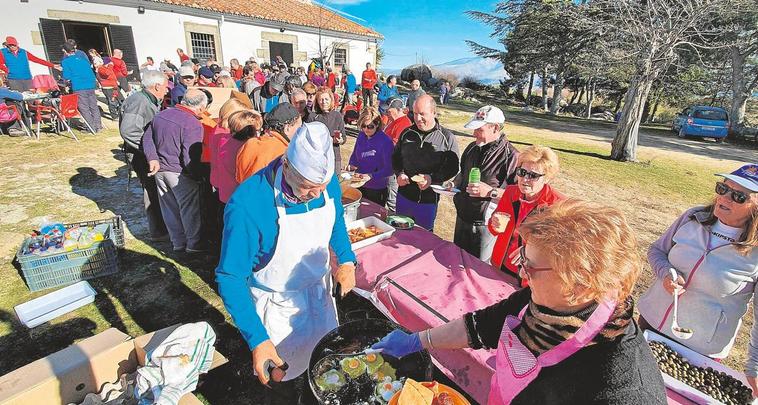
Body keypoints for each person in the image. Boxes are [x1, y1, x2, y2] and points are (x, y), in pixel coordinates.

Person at [373, 199, 667, 404]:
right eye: (523, 259)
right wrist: (418, 341)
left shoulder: (624, 389)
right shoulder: (544, 301)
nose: (522, 273)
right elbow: (480, 327)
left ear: (581, 283)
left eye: (530, 265)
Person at [216, 121, 356, 405]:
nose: (315, 195)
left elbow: (336, 221)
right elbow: (230, 277)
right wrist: (258, 339)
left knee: (323, 370)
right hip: (277, 309)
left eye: (320, 187)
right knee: (284, 389)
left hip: (319, 295)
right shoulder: (248, 204)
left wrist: (347, 259)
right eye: (307, 188)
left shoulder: (325, 184)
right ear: (287, 165)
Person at [638, 164, 758, 392]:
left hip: (700, 347)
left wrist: (754, 368)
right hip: (651, 323)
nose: (725, 197)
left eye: (739, 196)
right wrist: (666, 272)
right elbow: (656, 251)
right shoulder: (693, 217)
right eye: (722, 188)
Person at [141, 88, 207, 253]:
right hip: (180, 173)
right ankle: (194, 245)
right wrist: (198, 177)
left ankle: (177, 243)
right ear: (199, 108)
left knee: (169, 208)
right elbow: (190, 156)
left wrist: (152, 158)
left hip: (160, 170)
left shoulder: (161, 115)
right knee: (189, 210)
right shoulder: (192, 124)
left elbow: (147, 138)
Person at [489, 145, 563, 284]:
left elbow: (560, 247)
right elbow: (495, 229)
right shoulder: (511, 192)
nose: (524, 179)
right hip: (501, 264)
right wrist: (494, 223)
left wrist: (530, 250)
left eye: (533, 175)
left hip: (532, 275)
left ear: (547, 178)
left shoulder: (557, 205)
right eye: (522, 172)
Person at [452, 105, 519, 258]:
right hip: (462, 218)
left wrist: (490, 192)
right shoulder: (471, 148)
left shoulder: (511, 156)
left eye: (479, 130)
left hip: (485, 226)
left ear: (495, 128)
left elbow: (516, 195)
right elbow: (463, 173)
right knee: (455, 261)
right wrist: (453, 184)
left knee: (478, 270)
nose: (474, 134)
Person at [392, 94, 459, 230]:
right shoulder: (407, 133)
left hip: (428, 199)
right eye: (415, 113)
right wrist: (400, 173)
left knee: (423, 237)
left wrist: (432, 178)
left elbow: (452, 167)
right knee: (400, 232)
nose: (417, 118)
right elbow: (396, 157)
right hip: (404, 194)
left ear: (434, 113)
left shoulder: (446, 137)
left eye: (422, 114)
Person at [119, 70, 169, 241]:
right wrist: (150, 150)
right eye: (164, 87)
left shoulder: (148, 99)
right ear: (156, 86)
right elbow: (129, 131)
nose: (167, 90)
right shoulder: (140, 101)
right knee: (152, 189)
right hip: (142, 155)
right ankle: (159, 231)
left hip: (146, 152)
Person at [236, 103, 300, 183]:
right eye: (299, 128)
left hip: (244, 192)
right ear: (287, 128)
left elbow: (238, 178)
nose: (300, 133)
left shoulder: (249, 143)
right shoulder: (284, 154)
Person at [347, 108, 394, 206]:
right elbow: (355, 155)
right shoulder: (361, 136)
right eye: (363, 126)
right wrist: (351, 165)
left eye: (370, 126)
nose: (366, 129)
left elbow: (389, 169)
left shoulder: (385, 141)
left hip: (376, 188)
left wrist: (371, 176)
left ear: (377, 124)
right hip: (358, 183)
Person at [215, 110, 262, 204]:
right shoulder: (246, 148)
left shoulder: (224, 140)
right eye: (258, 130)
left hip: (225, 194)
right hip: (239, 199)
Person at [61, 41, 102, 133]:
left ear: (65, 51)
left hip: (79, 86)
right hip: (90, 85)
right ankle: (98, 125)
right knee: (93, 106)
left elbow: (67, 77)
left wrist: (65, 81)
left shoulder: (66, 61)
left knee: (84, 108)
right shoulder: (83, 59)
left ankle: (90, 128)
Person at [313, 86, 347, 170]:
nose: (324, 102)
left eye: (326, 99)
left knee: (335, 181)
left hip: (335, 156)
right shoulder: (313, 117)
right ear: (317, 101)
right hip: (318, 158)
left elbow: (344, 137)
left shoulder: (337, 116)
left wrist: (341, 140)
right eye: (321, 99)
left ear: (331, 100)